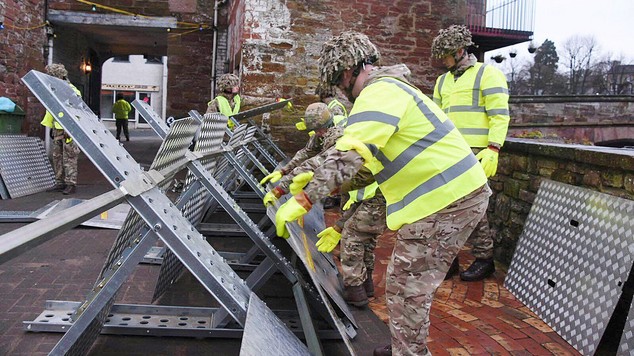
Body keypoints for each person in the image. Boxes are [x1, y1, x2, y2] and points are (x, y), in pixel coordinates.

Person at [273, 31, 490, 356]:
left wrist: (305, 199)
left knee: (406, 285)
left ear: (346, 72)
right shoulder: (391, 89)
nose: (341, 91)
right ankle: (406, 343)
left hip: (449, 200)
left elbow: (351, 153)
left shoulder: (379, 92)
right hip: (452, 197)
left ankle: (409, 351)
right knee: (407, 284)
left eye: (337, 81)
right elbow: (367, 169)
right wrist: (313, 177)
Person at [431, 25, 510, 282]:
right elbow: (436, 119)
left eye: (446, 55)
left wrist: (493, 148)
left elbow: (499, 114)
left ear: (460, 51)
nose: (442, 60)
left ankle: (485, 258)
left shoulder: (488, 74)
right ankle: (448, 260)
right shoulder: (442, 81)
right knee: (442, 205)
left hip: (476, 153)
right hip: (448, 152)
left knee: (473, 206)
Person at [316, 181, 386, 307]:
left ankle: (355, 290)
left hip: (371, 199)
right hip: (376, 198)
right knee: (367, 240)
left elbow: (358, 197)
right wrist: (339, 225)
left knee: (352, 239)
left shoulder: (354, 172)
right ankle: (366, 283)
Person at [261, 102, 341, 205]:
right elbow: (307, 153)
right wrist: (284, 170)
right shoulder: (323, 130)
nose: (317, 133)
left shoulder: (339, 134)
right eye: (314, 130)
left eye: (319, 130)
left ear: (328, 124)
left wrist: (280, 189)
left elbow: (315, 163)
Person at [41, 63, 81, 195]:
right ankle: (60, 182)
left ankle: (71, 183)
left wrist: (70, 129)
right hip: (58, 128)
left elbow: (76, 110)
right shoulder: (54, 88)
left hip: (68, 128)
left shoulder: (71, 90)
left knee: (69, 156)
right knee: (57, 156)